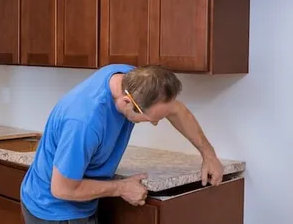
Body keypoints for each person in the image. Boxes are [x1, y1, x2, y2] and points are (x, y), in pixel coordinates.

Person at [20, 64, 224, 223]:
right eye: (150, 118)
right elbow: (62, 189)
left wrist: (209, 155)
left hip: (78, 201)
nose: (154, 123)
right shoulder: (84, 122)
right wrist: (121, 188)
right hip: (54, 211)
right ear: (127, 103)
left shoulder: (133, 80)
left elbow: (177, 111)